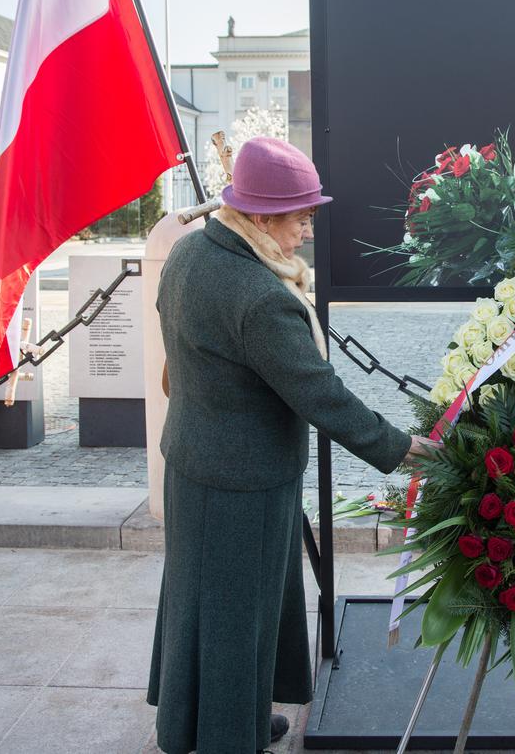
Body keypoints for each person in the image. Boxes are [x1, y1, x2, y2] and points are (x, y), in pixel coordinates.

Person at [148, 136, 435, 754]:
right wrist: (400, 446)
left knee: (196, 603)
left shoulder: (191, 253)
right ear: (259, 216)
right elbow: (320, 395)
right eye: (300, 217)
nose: (307, 231)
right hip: (243, 480)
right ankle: (230, 738)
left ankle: (189, 725)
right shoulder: (258, 296)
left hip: (196, 461)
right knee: (236, 616)